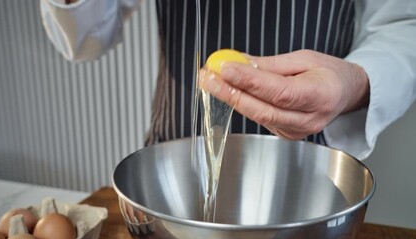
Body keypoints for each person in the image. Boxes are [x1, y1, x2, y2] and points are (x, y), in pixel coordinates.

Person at [40, 0, 416, 160]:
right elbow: (84, 36)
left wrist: (354, 82)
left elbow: (404, 23)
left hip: (311, 170)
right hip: (175, 158)